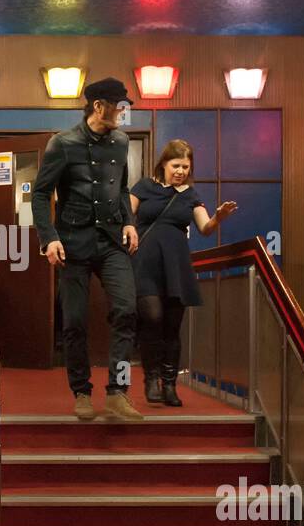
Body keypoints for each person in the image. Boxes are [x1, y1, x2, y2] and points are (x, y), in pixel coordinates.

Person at [31, 76, 143, 422]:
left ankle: (118, 392)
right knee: (75, 321)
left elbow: (122, 189)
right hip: (73, 243)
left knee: (126, 310)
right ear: (99, 106)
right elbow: (39, 194)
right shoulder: (62, 144)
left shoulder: (121, 142)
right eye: (119, 105)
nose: (124, 112)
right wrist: (48, 238)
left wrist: (128, 221)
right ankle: (81, 391)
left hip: (111, 242)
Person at [129, 140, 237, 406]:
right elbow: (126, 215)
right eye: (176, 165)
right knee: (152, 317)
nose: (180, 171)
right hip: (145, 263)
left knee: (172, 327)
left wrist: (218, 218)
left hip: (176, 265)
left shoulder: (190, 195)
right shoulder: (144, 187)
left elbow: (205, 227)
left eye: (185, 167)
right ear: (163, 164)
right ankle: (151, 379)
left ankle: (169, 386)